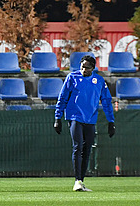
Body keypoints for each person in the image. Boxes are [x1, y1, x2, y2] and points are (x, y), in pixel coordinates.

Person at [54, 55, 115, 192]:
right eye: (82, 67)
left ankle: (81, 181)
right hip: (75, 116)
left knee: (87, 149)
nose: (83, 70)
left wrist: (111, 121)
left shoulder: (99, 80)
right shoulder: (72, 77)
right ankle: (76, 180)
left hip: (91, 119)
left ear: (93, 68)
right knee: (78, 147)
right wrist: (58, 118)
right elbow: (62, 97)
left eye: (87, 68)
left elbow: (106, 101)